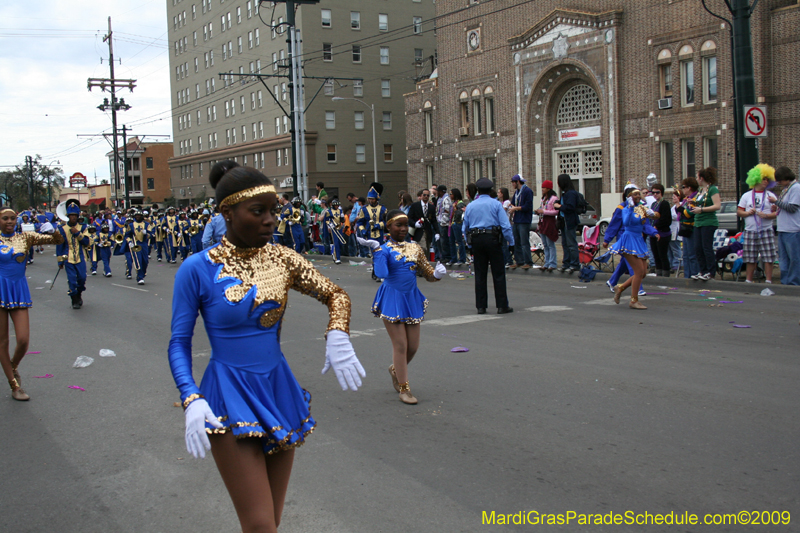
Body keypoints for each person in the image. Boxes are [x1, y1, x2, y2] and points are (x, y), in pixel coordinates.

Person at [169, 161, 365, 532]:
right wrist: (191, 397)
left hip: (278, 389)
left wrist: (337, 332)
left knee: (270, 520)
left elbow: (336, 295)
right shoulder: (197, 268)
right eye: (258, 212)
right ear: (227, 212)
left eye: (274, 211)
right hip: (228, 395)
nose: (270, 220)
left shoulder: (282, 257)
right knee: (261, 525)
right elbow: (179, 342)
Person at [358, 210, 446, 404]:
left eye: (406, 225)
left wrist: (437, 275)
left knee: (413, 347)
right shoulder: (385, 249)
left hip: (411, 298)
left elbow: (428, 273)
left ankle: (395, 370)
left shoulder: (415, 248)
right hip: (392, 298)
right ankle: (404, 389)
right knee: (400, 345)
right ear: (388, 227)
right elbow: (382, 273)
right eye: (399, 225)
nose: (403, 229)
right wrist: (377, 251)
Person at [0, 207, 61, 400]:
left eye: (12, 218)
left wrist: (54, 230)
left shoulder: (26, 238)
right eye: (4, 219)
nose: (9, 221)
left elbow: (57, 240)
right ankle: (15, 385)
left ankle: (13, 365)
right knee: (2, 341)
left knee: (23, 340)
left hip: (18, 290)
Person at [462, 178, 515, 315]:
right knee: (498, 273)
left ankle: (481, 306)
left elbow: (465, 227)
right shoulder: (496, 204)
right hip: (492, 239)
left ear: (478, 190)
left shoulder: (471, 206)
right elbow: (505, 226)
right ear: (491, 190)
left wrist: (469, 244)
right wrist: (511, 242)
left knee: (480, 273)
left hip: (477, 239)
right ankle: (502, 305)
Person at [603, 186, 659, 310]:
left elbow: (646, 225)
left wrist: (654, 232)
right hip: (628, 240)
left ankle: (620, 287)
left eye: (639, 194)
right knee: (638, 271)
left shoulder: (641, 209)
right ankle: (634, 300)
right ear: (629, 197)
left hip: (639, 240)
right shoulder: (624, 209)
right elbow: (626, 222)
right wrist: (630, 208)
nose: (638, 197)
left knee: (643, 272)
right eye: (635, 195)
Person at [737, 164, 778, 283]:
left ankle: (768, 281)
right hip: (750, 230)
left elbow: (776, 213)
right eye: (763, 178)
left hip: (766, 229)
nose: (766, 181)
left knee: (768, 257)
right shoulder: (747, 195)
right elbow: (739, 211)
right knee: (750, 257)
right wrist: (748, 213)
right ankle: (748, 281)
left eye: (767, 179)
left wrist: (767, 215)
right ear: (756, 179)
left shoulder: (771, 196)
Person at [56, 200, 92, 309]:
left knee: (81, 278)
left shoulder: (83, 227)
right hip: (68, 258)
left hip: (80, 257)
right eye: (71, 215)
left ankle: (79, 294)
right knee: (72, 279)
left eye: (75, 215)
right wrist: (60, 261)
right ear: (68, 216)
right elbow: (59, 245)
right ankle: (74, 300)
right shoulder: (62, 229)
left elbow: (87, 242)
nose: (73, 217)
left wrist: (77, 233)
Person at [689, 167, 721, 280]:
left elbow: (717, 205)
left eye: (697, 177)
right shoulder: (700, 192)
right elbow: (701, 203)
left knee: (706, 247)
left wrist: (701, 209)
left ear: (701, 178)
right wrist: (693, 202)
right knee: (697, 247)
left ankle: (711, 272)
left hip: (708, 222)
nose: (697, 180)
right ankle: (702, 270)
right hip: (698, 222)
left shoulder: (712, 189)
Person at [774, 167, 800, 285]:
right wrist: (778, 206)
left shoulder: (796, 188)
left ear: (786, 178)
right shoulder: (786, 189)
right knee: (783, 259)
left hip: (793, 229)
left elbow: (792, 207)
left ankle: (794, 282)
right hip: (783, 228)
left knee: (794, 258)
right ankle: (785, 282)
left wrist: (776, 202)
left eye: (780, 180)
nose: (778, 183)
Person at [357, 184, 388, 282]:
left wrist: (378, 226)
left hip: (380, 235)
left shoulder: (383, 209)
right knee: (374, 254)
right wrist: (362, 230)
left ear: (377, 199)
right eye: (369, 199)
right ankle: (376, 271)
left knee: (380, 253)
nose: (370, 201)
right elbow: (360, 222)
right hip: (370, 235)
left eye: (373, 199)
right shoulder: (364, 209)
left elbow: (387, 222)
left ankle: (377, 272)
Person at [556, 174, 581, 273]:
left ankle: (575, 264)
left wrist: (559, 206)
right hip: (563, 221)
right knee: (565, 243)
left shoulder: (571, 193)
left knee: (571, 243)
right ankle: (566, 263)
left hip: (570, 221)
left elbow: (570, 207)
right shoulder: (564, 193)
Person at [509, 174, 534, 270]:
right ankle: (519, 261)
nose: (512, 185)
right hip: (517, 220)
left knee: (524, 242)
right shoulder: (516, 192)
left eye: (513, 183)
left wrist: (516, 208)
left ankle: (528, 261)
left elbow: (527, 206)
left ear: (517, 182)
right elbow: (514, 203)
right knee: (516, 241)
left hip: (524, 220)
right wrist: (512, 207)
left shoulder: (527, 191)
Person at [678, 177, 700, 278]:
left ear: (689, 188)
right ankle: (687, 276)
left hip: (691, 229)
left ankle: (694, 274)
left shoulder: (694, 198)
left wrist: (679, 207)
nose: (683, 189)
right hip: (685, 229)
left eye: (684, 187)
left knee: (692, 255)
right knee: (685, 255)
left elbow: (688, 213)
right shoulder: (686, 200)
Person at [534, 180, 559, 272]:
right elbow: (542, 208)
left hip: (550, 222)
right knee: (545, 244)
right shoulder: (543, 198)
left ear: (549, 188)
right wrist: (538, 211)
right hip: (542, 222)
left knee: (550, 244)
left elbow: (556, 211)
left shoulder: (553, 199)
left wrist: (544, 212)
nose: (542, 189)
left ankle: (552, 263)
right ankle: (547, 262)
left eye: (544, 188)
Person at [649, 183, 672, 277]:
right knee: (656, 255)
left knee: (662, 255)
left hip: (663, 233)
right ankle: (659, 273)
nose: (655, 194)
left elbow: (667, 219)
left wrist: (657, 226)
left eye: (657, 192)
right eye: (653, 192)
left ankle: (666, 274)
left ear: (661, 193)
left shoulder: (665, 204)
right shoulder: (654, 204)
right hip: (653, 233)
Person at [407, 189, 438, 255]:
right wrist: (415, 224)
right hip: (417, 232)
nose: (426, 196)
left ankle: (425, 264)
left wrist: (437, 232)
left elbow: (434, 220)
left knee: (427, 251)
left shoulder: (431, 207)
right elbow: (409, 218)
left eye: (427, 195)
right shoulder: (415, 206)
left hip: (428, 232)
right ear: (421, 195)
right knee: (422, 249)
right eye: (424, 195)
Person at [126, 210, 153, 285]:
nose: (138, 217)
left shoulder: (146, 224)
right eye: (136, 216)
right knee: (138, 261)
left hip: (144, 244)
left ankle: (143, 273)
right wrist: (130, 242)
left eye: (139, 216)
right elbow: (127, 235)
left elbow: (151, 234)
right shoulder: (131, 225)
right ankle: (140, 277)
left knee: (145, 261)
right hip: (136, 243)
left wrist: (147, 234)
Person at [321, 198, 345, 264]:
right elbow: (327, 220)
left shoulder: (340, 211)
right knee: (336, 242)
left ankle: (334, 254)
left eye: (338, 205)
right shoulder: (329, 211)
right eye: (336, 205)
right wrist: (330, 226)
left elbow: (342, 220)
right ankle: (337, 258)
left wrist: (342, 218)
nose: (337, 206)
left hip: (339, 227)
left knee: (340, 242)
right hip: (333, 228)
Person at [497, 187, 514, 268]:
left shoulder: (506, 202)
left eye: (499, 192)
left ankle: (509, 260)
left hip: (505, 224)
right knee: (501, 244)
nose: (498, 194)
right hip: (500, 224)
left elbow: (502, 210)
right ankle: (504, 260)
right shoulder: (500, 202)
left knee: (504, 244)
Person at [449, 188, 467, 266]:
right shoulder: (454, 203)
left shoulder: (460, 203)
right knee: (451, 241)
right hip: (452, 223)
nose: (450, 195)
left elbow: (460, 213)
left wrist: (456, 210)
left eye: (451, 194)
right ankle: (453, 258)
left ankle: (462, 259)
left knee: (459, 241)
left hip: (457, 223)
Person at [435, 185, 453, 265]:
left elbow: (446, 211)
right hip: (439, 221)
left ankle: (447, 256)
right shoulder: (439, 199)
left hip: (443, 223)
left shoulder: (446, 199)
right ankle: (442, 256)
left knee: (444, 240)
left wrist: (443, 222)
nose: (436, 192)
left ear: (441, 191)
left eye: (437, 191)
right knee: (440, 241)